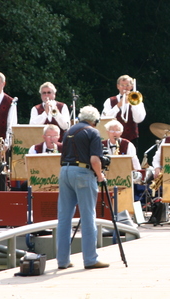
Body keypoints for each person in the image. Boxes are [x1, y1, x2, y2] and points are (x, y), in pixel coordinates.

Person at [57, 105, 109, 270]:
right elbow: (94, 160)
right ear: (95, 121)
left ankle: (63, 260)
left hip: (64, 172)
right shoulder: (93, 132)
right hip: (82, 173)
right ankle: (90, 259)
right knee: (88, 217)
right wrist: (100, 175)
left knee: (64, 218)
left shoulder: (68, 132)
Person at [102, 75, 146, 146]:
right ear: (118, 86)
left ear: (131, 87)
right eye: (122, 85)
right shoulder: (109, 101)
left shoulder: (138, 102)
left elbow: (139, 119)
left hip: (132, 139)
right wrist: (118, 105)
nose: (125, 88)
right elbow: (104, 119)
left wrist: (133, 104)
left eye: (127, 85)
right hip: (112, 138)